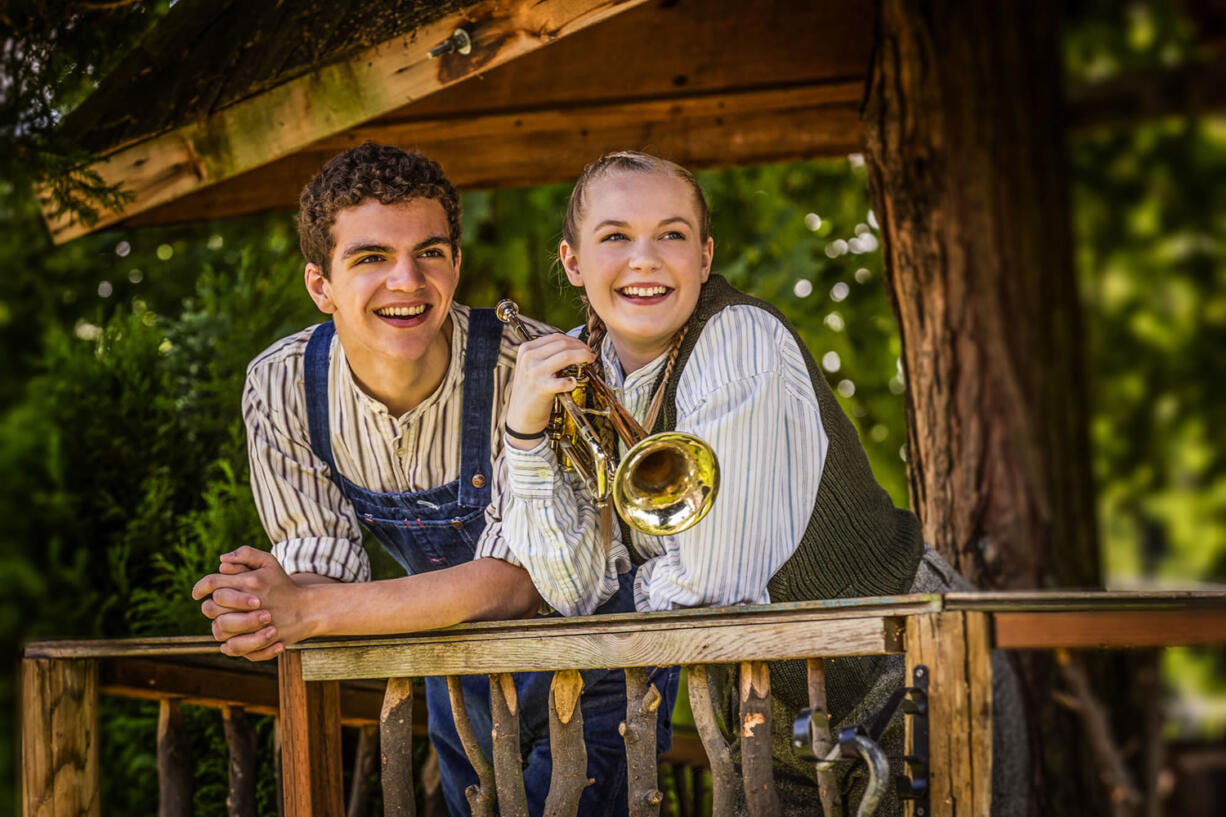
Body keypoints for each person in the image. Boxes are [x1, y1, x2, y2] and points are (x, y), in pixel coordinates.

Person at [478, 151, 1028, 816]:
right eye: (616, 236)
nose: (645, 259)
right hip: (762, 709)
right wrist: (524, 437)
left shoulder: (739, 339)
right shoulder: (568, 369)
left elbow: (719, 580)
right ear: (573, 262)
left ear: (704, 258)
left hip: (906, 672)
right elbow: (571, 590)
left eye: (671, 234)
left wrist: (626, 583)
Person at [190, 143, 676, 817]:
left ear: (456, 263)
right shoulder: (282, 385)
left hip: (597, 656)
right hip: (459, 671)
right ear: (319, 285)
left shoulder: (525, 364)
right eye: (370, 258)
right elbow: (319, 578)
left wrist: (301, 611)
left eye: (430, 252)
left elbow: (518, 580)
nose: (407, 280)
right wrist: (259, 607)